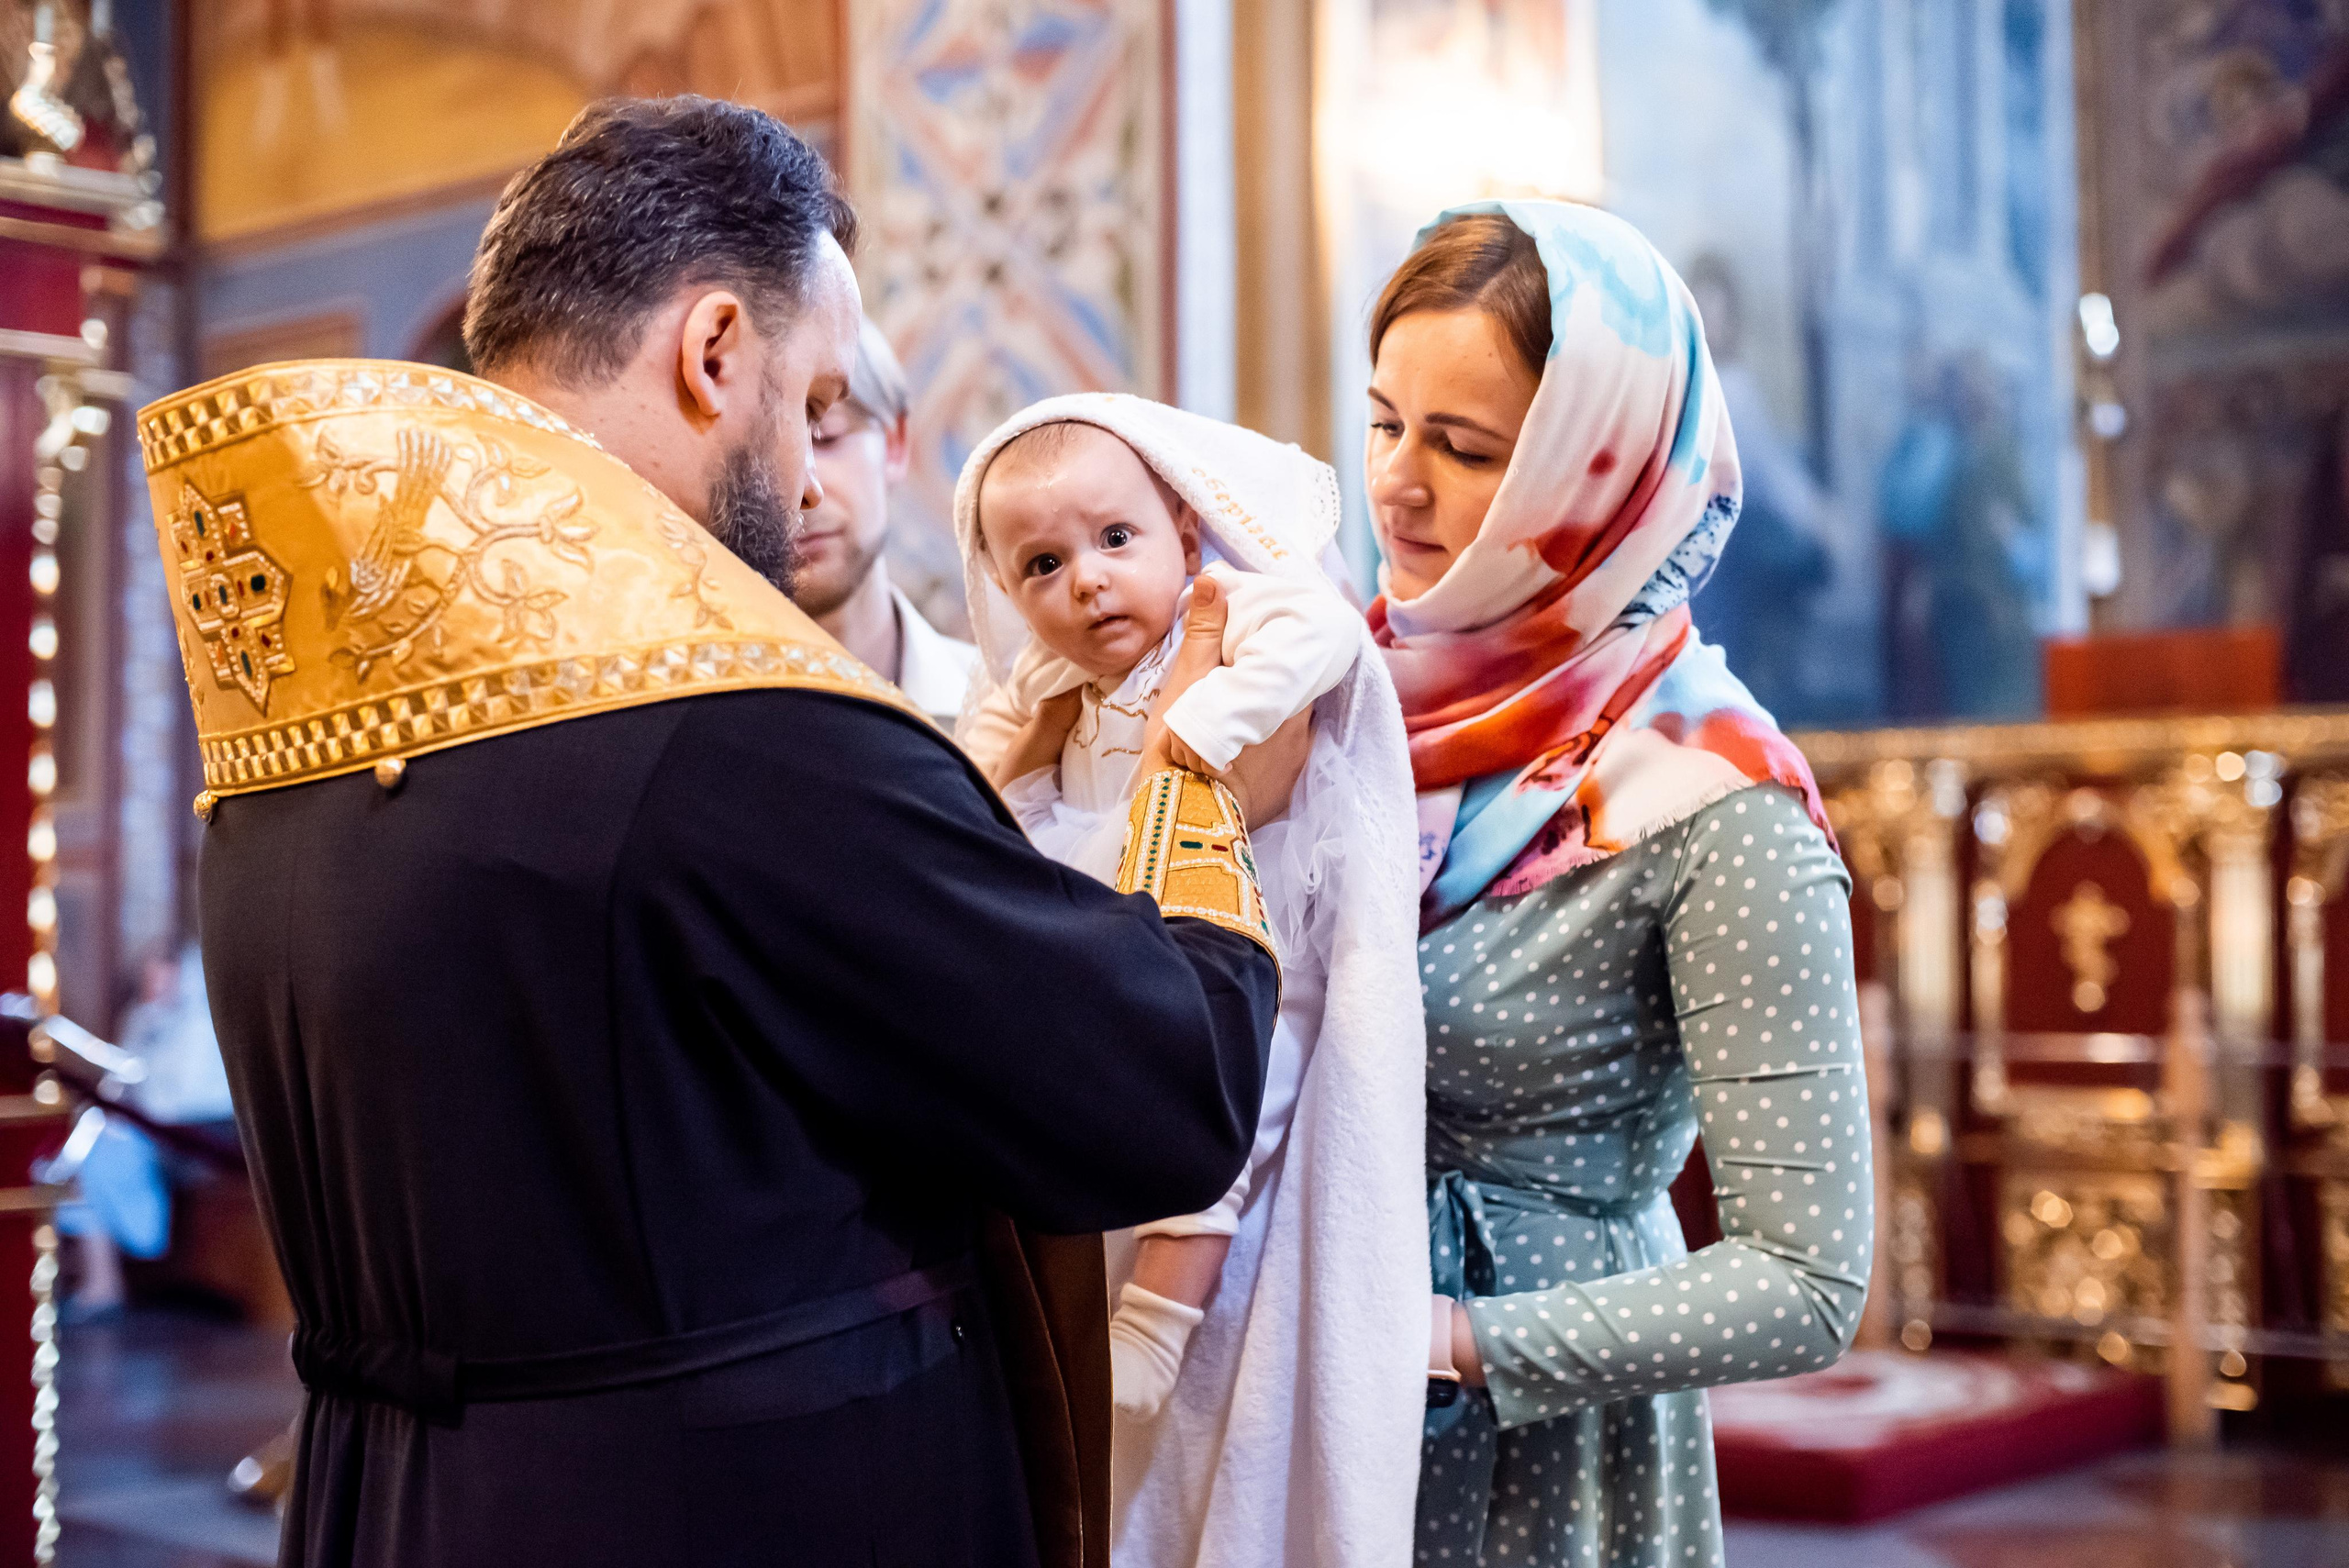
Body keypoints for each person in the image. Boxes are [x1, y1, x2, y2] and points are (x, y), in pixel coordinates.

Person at [151, 96, 1307, 1568]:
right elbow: (1161, 1091)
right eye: (812, 394)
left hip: (386, 1507)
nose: (814, 458)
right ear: (713, 355)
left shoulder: (298, 725)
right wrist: (1201, 773)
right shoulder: (747, 735)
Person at [1363, 202, 1875, 1566]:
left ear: (1595, 476)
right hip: (1313, 1394)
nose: (1396, 485)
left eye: (1463, 448)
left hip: (1545, 1456)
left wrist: (1453, 1336)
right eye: (1383, 421)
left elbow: (1810, 1281)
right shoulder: (1350, 700)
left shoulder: (1720, 797)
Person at [953, 394, 1428, 1565]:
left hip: (1256, 918)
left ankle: (1163, 1315)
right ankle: (1132, 1307)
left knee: (1232, 1100)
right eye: (1043, 565)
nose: (1088, 583)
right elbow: (976, 750)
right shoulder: (1046, 679)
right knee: (1131, 1116)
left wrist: (1200, 729)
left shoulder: (1230, 607)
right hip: (1127, 930)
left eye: (1115, 541)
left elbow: (1328, 637)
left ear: (1180, 521)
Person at [796, 316, 980, 725]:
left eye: (825, 438)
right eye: (756, 460)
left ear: (896, 443)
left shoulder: (1006, 716)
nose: (800, 487)